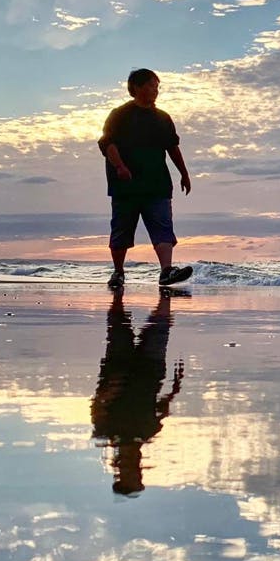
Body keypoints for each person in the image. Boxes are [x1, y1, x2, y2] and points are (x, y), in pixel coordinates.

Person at [98, 68, 192, 290]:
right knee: (121, 230)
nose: (155, 90)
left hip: (157, 184)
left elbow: (172, 147)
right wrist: (120, 166)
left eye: (157, 86)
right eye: (150, 85)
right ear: (136, 88)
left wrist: (184, 173)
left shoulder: (163, 118)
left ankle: (166, 271)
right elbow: (107, 144)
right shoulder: (119, 115)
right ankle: (119, 272)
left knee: (163, 228)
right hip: (126, 186)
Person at [91, 290, 183, 496]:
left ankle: (121, 288)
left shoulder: (106, 433)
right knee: (160, 324)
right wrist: (175, 387)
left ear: (120, 472)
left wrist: (111, 388)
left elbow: (97, 405)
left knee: (118, 320)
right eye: (137, 475)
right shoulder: (147, 433)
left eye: (132, 474)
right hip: (150, 370)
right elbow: (162, 409)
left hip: (119, 366)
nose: (137, 469)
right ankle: (164, 292)